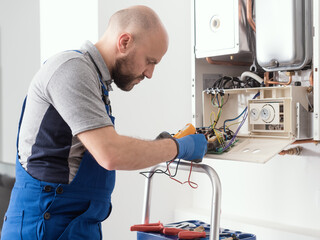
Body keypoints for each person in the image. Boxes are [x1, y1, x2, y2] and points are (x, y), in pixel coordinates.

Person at [1, 5, 207, 240]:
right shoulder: (72, 70)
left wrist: (167, 145)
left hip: (75, 227)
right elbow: (110, 153)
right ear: (125, 42)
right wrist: (179, 147)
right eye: (150, 61)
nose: (150, 73)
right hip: (43, 228)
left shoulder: (95, 82)